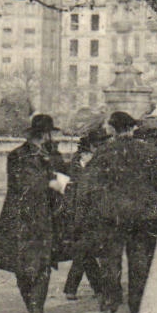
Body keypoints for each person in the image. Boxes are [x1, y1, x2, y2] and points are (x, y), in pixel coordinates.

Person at [77, 111, 157, 313]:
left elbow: (86, 187)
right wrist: (155, 205)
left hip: (111, 217)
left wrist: (96, 208)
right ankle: (137, 307)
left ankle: (109, 306)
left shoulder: (103, 152)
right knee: (139, 263)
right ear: (133, 128)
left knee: (110, 263)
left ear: (112, 129)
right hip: (142, 218)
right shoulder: (147, 151)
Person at [0, 114, 68, 313]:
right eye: (50, 134)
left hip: (45, 215)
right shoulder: (18, 156)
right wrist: (50, 183)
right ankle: (32, 304)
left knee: (44, 262)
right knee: (22, 264)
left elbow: (63, 175)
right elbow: (23, 184)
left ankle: (36, 308)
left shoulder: (50, 155)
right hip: (22, 216)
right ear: (44, 134)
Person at [62, 127, 112, 302]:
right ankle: (90, 288)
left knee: (85, 250)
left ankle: (79, 288)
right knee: (84, 249)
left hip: (94, 211)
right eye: (99, 144)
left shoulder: (98, 160)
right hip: (82, 212)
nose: (102, 147)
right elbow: (73, 187)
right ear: (91, 145)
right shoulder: (80, 162)